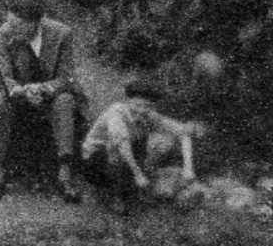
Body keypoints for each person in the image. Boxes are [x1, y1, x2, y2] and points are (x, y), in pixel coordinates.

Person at [0, 0, 87, 205]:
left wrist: (44, 89)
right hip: (20, 95)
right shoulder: (6, 32)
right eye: (9, 22)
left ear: (34, 23)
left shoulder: (61, 33)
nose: (10, 27)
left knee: (65, 101)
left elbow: (66, 76)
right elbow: (3, 74)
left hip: (50, 95)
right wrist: (21, 91)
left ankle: (64, 174)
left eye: (16, 24)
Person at [81, 79, 204, 208]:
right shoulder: (116, 114)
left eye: (147, 106)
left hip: (123, 157)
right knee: (118, 147)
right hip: (95, 160)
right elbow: (122, 145)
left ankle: (132, 187)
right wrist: (138, 175)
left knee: (141, 144)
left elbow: (183, 133)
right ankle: (114, 195)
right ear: (128, 102)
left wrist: (188, 168)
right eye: (137, 105)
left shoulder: (150, 116)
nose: (141, 110)